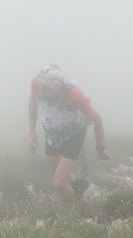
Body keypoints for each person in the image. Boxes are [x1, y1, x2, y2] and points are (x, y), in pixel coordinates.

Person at [27, 65, 111, 200]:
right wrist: (32, 132)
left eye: (45, 89)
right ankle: (79, 184)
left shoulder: (73, 95)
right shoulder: (36, 84)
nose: (40, 92)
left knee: (59, 183)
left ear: (57, 89)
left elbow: (97, 119)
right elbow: (32, 101)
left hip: (73, 135)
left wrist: (100, 149)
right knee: (54, 174)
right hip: (52, 134)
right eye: (40, 87)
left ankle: (73, 211)